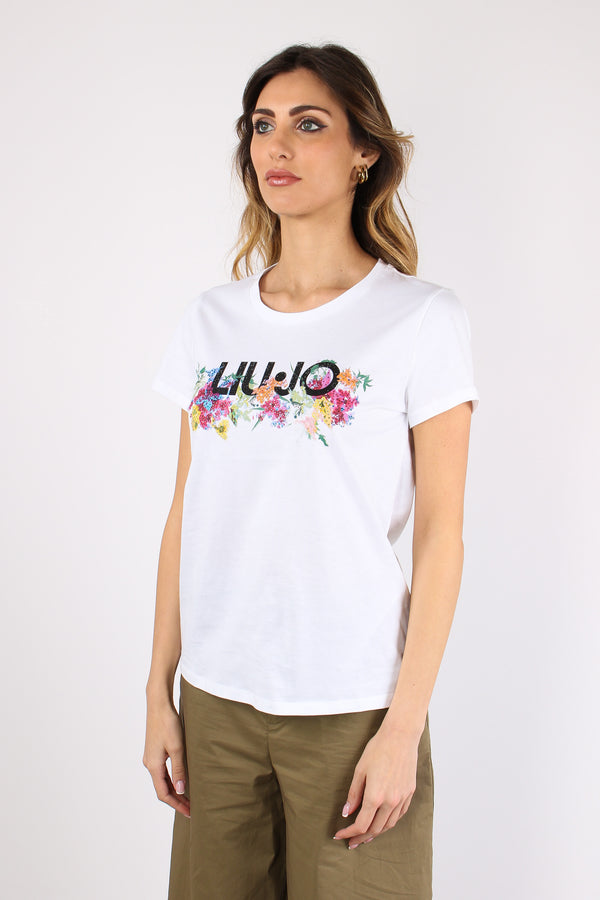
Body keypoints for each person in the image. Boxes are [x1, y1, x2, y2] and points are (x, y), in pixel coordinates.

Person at [143, 42, 479, 900]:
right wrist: (158, 693)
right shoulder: (211, 321)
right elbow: (186, 513)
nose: (277, 146)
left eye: (309, 124)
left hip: (352, 706)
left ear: (365, 151)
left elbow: (442, 536)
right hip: (216, 698)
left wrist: (402, 728)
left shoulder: (420, 319)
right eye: (262, 126)